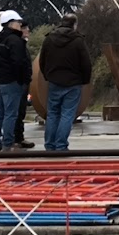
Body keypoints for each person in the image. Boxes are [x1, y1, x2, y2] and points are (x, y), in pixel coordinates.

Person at [37, 14, 92, 152]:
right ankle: (61, 145)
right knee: (67, 114)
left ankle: (49, 145)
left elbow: (42, 60)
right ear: (74, 24)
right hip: (73, 83)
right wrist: (84, 80)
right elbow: (86, 63)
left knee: (53, 113)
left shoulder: (49, 39)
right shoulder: (78, 41)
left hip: (54, 81)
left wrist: (47, 75)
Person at [0, 10, 33, 152]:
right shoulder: (15, 40)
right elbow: (19, 62)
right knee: (11, 113)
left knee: (0, 113)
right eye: (18, 23)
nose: (20, 26)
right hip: (12, 81)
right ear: (11, 23)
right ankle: (7, 143)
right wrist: (23, 80)